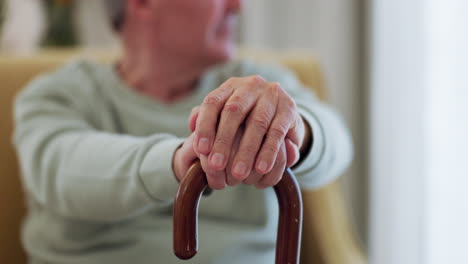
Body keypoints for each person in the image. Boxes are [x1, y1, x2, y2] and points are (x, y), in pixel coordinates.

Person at [13, 0, 353, 263]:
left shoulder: (260, 83)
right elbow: (64, 172)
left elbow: (335, 144)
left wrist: (292, 129)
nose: (237, 6)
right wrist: (183, 160)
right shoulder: (56, 94)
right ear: (144, 3)